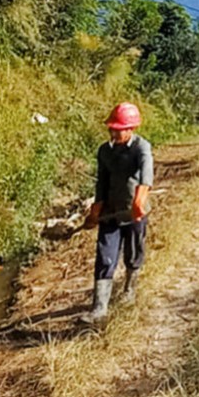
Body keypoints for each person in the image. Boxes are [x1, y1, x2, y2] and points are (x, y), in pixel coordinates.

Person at [81, 102, 153, 324]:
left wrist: (139, 202)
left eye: (118, 129)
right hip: (110, 214)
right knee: (105, 256)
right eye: (111, 128)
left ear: (130, 128)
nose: (113, 132)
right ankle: (99, 309)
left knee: (133, 254)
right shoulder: (105, 151)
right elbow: (101, 183)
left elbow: (146, 175)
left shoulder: (141, 147)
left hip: (134, 214)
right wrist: (95, 212)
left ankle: (129, 290)